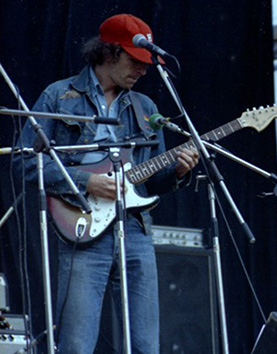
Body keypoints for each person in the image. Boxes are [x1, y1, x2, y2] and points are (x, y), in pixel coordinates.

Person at [15, 14, 199, 353]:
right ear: (108, 53)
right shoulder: (59, 97)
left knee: (146, 344)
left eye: (147, 64)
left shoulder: (146, 108)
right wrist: (87, 182)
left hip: (136, 231)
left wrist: (177, 172)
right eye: (135, 61)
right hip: (83, 229)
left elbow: (150, 182)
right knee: (77, 344)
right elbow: (25, 162)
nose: (143, 70)